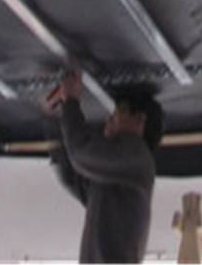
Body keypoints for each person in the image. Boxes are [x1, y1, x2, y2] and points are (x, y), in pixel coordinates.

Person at [43, 70, 163, 263]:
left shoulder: (135, 155)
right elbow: (78, 164)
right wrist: (68, 104)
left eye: (116, 115)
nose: (108, 121)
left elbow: (76, 164)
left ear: (140, 121)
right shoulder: (132, 160)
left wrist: (65, 108)